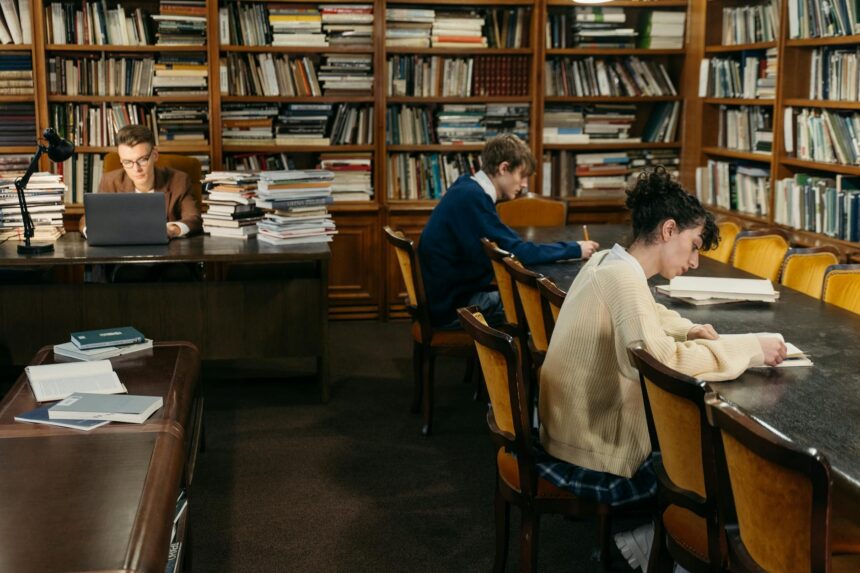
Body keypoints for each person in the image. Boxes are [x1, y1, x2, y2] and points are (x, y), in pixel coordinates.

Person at [536, 167, 787, 571]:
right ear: (668, 229)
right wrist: (750, 348)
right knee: (723, 468)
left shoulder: (608, 262)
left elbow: (649, 313)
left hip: (567, 428)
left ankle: (659, 539)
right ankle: (659, 545)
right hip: (590, 450)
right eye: (692, 246)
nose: (694, 261)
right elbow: (663, 366)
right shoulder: (623, 279)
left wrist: (690, 328)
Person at [417, 134, 600, 328]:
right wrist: (576, 249)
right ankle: (536, 356)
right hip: (453, 306)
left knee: (527, 294)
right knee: (540, 302)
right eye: (522, 176)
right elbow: (518, 252)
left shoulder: (466, 187)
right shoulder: (472, 198)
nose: (524, 185)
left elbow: (504, 244)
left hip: (445, 296)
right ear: (503, 168)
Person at [81, 124, 202, 238]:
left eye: (142, 160)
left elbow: (193, 219)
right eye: (127, 162)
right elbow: (89, 219)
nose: (136, 169)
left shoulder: (179, 180)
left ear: (154, 155)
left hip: (166, 253)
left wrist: (171, 230)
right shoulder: (110, 181)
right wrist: (92, 232)